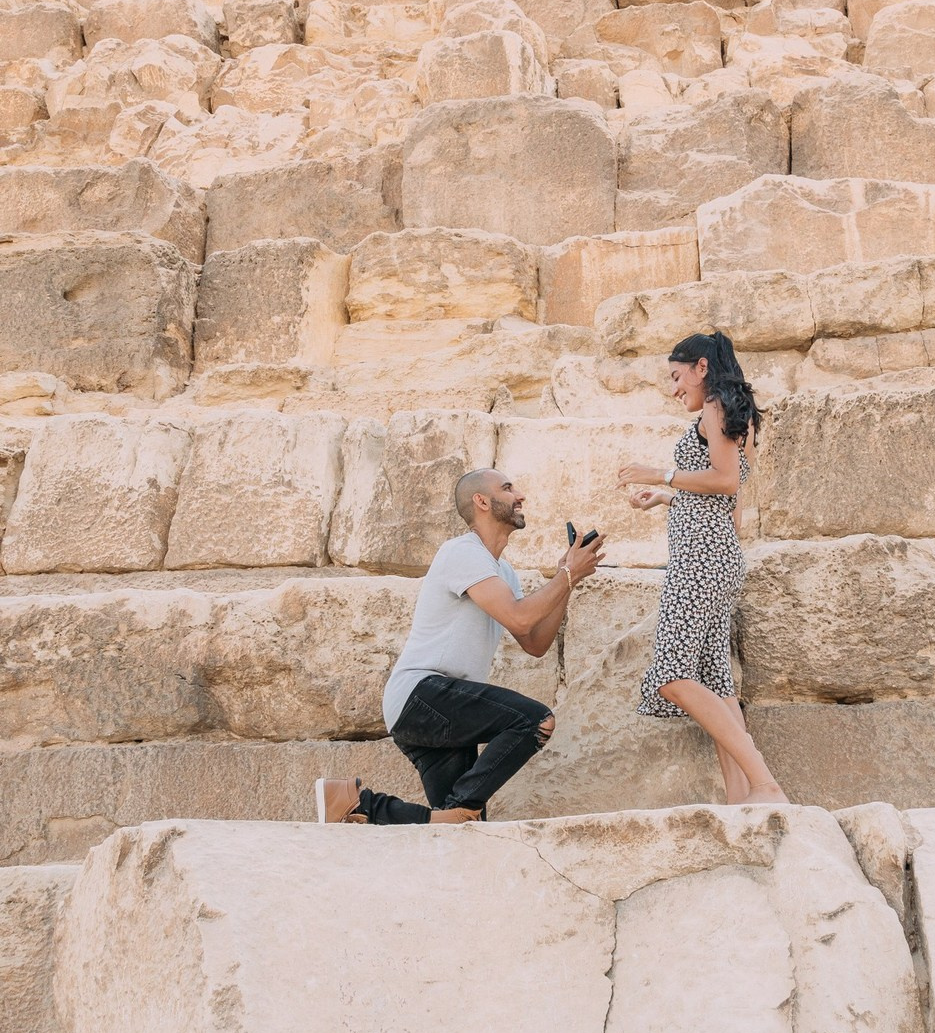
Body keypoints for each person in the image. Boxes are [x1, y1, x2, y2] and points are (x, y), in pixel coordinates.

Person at [316, 469, 605, 825]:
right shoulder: (462, 552)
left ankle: (355, 804)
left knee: (460, 830)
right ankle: (448, 811)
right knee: (535, 721)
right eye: (508, 488)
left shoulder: (503, 572)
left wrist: (567, 578)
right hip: (424, 695)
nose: (521, 495)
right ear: (481, 501)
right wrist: (567, 575)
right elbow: (518, 618)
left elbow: (535, 642)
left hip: (443, 709)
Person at [617, 330, 789, 806]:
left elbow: (726, 480)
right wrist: (670, 499)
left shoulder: (715, 409)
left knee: (672, 674)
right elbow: (726, 500)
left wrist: (660, 474)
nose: (675, 389)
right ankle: (741, 797)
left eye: (676, 376)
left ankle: (766, 784)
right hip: (718, 553)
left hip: (700, 560)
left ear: (702, 368)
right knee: (715, 681)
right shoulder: (737, 414)